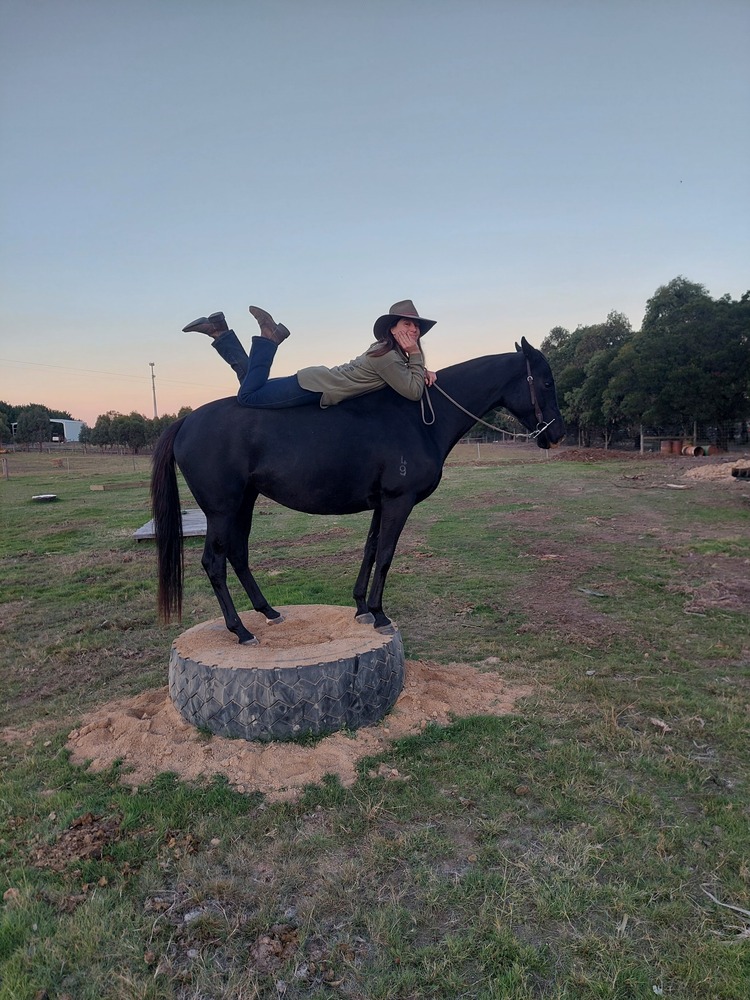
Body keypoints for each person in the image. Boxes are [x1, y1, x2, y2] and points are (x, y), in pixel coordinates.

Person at [182, 300, 438, 409]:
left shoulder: (387, 352)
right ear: (392, 329)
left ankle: (219, 331)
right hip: (314, 389)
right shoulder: (388, 357)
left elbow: (404, 379)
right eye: (407, 324)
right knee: (248, 397)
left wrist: (420, 368)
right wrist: (416, 355)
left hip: (314, 380)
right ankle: (268, 336)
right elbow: (413, 392)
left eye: (416, 326)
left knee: (250, 383)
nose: (414, 329)